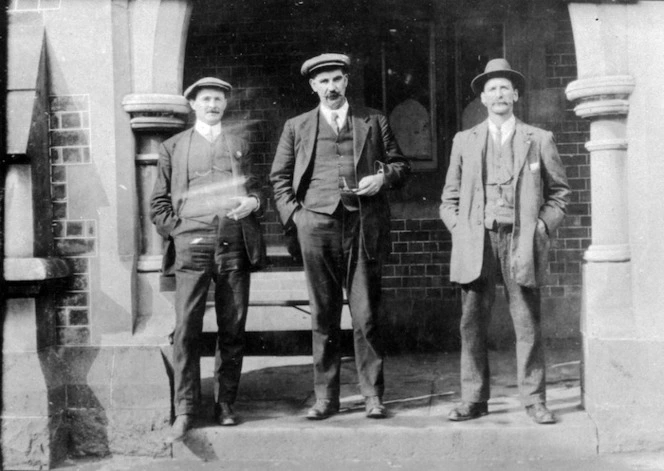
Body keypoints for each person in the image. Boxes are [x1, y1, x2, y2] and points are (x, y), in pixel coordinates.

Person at [270, 53, 410, 420]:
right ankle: (326, 399)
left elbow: (400, 165)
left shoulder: (373, 121)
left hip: (362, 226)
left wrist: (382, 178)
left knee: (365, 315)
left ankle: (372, 396)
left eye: (337, 79)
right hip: (316, 225)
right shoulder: (297, 126)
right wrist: (297, 217)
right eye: (323, 81)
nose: (331, 87)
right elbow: (279, 179)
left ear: (346, 81)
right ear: (313, 86)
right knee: (323, 315)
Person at [439, 59, 570, 425]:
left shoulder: (538, 139)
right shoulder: (464, 141)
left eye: (505, 88)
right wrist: (461, 229)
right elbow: (448, 197)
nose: (499, 94)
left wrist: (541, 227)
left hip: (521, 241)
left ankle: (534, 400)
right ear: (482, 98)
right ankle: (474, 399)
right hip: (477, 241)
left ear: (516, 95)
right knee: (471, 323)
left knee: (527, 322)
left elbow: (560, 193)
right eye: (491, 88)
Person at [150, 77, 266, 441]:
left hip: (233, 241)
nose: (213, 105)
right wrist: (180, 232)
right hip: (193, 244)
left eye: (218, 99)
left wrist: (254, 202)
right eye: (206, 99)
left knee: (233, 326)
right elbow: (158, 205)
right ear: (193, 105)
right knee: (187, 327)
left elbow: (257, 188)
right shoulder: (174, 147)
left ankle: (225, 404)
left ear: (225, 105)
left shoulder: (240, 145)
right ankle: (185, 409)